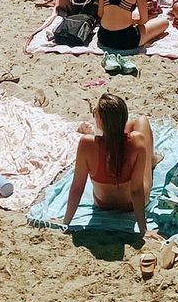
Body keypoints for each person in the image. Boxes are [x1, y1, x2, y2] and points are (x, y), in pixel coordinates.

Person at [61, 92, 156, 238]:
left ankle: (150, 157)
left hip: (102, 203)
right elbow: (136, 190)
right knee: (142, 121)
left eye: (95, 113)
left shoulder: (87, 144)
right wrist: (143, 229)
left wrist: (65, 222)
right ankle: (152, 159)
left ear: (100, 121)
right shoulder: (137, 141)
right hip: (131, 204)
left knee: (131, 127)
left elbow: (77, 188)